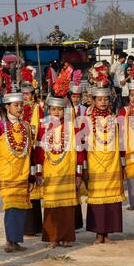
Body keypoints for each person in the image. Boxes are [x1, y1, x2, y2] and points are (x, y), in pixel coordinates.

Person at [0, 92, 34, 253]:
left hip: (23, 173)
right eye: (16, 105)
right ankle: (10, 240)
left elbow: (31, 152)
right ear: (7, 107)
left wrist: (32, 176)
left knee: (21, 208)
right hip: (6, 174)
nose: (20, 108)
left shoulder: (26, 126)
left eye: (21, 105)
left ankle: (16, 241)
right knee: (11, 207)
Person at [35, 96, 84, 248]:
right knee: (51, 207)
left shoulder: (72, 126)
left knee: (67, 208)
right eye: (53, 109)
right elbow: (38, 151)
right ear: (48, 110)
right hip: (50, 172)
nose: (56, 112)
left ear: (65, 111)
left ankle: (66, 237)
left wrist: (78, 174)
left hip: (68, 171)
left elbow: (80, 151)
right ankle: (52, 238)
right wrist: (38, 173)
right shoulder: (43, 126)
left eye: (60, 110)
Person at [83, 87, 126, 244]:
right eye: (99, 99)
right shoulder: (86, 120)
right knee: (97, 200)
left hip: (113, 164)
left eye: (106, 99)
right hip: (94, 165)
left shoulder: (115, 119)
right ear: (93, 101)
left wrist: (123, 165)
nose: (103, 102)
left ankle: (106, 233)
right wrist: (84, 167)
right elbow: (82, 145)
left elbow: (121, 143)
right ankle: (98, 234)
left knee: (111, 202)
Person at [22, 84, 44, 236]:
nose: (25, 97)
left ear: (33, 94)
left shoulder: (38, 109)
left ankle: (35, 226)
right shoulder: (18, 108)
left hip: (35, 149)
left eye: (28, 94)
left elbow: (42, 129)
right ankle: (25, 227)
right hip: (21, 151)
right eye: (23, 94)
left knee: (34, 188)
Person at [119, 82, 134, 211]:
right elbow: (120, 129)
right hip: (129, 148)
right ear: (128, 96)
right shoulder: (124, 111)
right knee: (132, 176)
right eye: (132, 95)